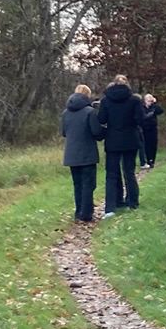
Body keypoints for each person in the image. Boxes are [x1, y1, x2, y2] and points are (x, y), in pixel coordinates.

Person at [97, 73, 145, 214]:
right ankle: (132, 202)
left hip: (112, 140)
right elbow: (140, 119)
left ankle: (110, 207)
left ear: (114, 83)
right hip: (130, 139)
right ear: (127, 84)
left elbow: (101, 119)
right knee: (129, 172)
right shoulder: (134, 100)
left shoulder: (106, 100)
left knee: (111, 174)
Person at [60, 83, 105, 224]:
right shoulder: (89, 112)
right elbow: (96, 132)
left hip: (71, 154)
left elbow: (63, 132)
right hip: (87, 153)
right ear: (87, 95)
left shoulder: (65, 113)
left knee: (77, 184)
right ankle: (86, 213)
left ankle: (78, 212)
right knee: (88, 184)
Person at [140, 93, 165, 170]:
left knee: (153, 144)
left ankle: (152, 160)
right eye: (148, 101)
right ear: (145, 101)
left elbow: (160, 111)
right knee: (146, 145)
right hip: (145, 129)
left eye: (151, 101)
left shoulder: (154, 107)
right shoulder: (142, 108)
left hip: (153, 128)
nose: (149, 102)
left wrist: (154, 103)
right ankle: (148, 160)